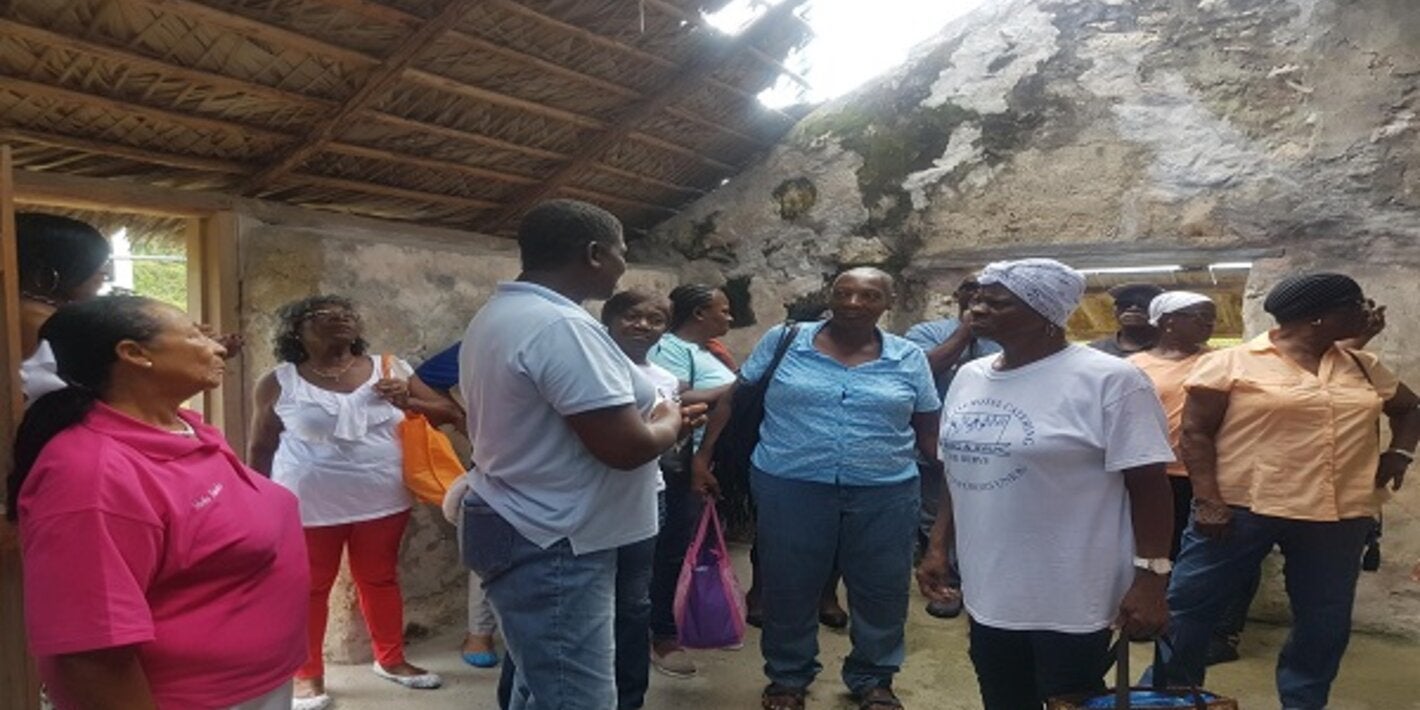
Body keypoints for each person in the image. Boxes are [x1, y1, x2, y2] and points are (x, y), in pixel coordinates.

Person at [458, 199, 706, 709]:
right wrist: (671, 421)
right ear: (595, 254)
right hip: (554, 540)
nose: (622, 263)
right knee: (576, 698)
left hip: (540, 524)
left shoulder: (506, 312)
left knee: (540, 685)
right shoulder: (559, 326)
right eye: (621, 252)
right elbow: (625, 447)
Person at [8, 295, 308, 710]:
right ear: (134, 354)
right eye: (193, 336)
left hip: (253, 686)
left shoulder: (185, 429)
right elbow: (90, 653)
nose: (218, 347)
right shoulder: (90, 474)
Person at [917, 258, 1175, 710]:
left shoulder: (1111, 380)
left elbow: (1150, 486)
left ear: (1046, 315)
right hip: (988, 584)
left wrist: (1151, 579)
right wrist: (938, 546)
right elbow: (960, 469)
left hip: (1072, 590)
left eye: (995, 303)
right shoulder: (969, 377)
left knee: (1066, 698)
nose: (975, 310)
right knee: (1002, 697)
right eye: (976, 299)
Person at [1153, 273, 1420, 710]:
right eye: (1356, 304)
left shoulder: (1360, 365)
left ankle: (1304, 700)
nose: (1368, 312)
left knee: (1324, 620)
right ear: (1319, 317)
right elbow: (1195, 434)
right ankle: (1170, 697)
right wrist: (1208, 500)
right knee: (1190, 609)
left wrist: (1401, 454)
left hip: (1338, 515)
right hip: (1239, 510)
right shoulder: (1232, 362)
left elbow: (1410, 409)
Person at [696, 267, 941, 710]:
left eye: (868, 296)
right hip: (789, 483)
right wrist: (702, 456)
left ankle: (873, 677)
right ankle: (788, 677)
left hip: (884, 490)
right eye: (843, 293)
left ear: (887, 303)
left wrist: (964, 475)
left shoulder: (908, 357)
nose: (852, 303)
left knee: (881, 587)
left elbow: (928, 427)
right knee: (789, 585)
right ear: (831, 296)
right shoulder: (785, 341)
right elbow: (735, 397)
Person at [248, 295, 457, 710]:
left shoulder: (390, 367)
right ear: (297, 331)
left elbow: (447, 412)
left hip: (382, 498)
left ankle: (391, 660)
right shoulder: (279, 380)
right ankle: (307, 675)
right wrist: (256, 501)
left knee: (380, 579)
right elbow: (261, 445)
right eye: (322, 316)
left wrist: (408, 400)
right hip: (308, 503)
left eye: (346, 314)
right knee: (309, 588)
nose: (339, 320)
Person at [646, 284, 738, 677]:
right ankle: (661, 636)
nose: (729, 317)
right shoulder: (671, 348)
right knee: (667, 551)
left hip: (700, 458)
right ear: (699, 313)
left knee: (681, 547)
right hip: (677, 462)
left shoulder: (706, 351)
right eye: (724, 310)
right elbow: (678, 398)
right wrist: (737, 384)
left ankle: (676, 622)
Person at [903, 276, 1001, 620]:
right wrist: (965, 332)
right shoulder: (926, 332)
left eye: (985, 291)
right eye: (970, 288)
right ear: (958, 295)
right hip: (936, 444)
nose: (976, 295)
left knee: (988, 518)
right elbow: (921, 371)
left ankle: (982, 585)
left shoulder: (1007, 338)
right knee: (936, 515)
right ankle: (948, 584)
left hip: (995, 447)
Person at [410, 342, 499, 668]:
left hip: (556, 468)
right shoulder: (483, 345)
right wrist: (459, 417)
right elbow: (421, 380)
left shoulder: (571, 341)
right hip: (495, 462)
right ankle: (480, 632)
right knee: (488, 547)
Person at [15, 212, 112, 403]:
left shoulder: (21, 308)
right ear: (51, 273)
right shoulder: (41, 321)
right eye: (95, 265)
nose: (105, 273)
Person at [1088, 283, 1164, 357]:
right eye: (1125, 303)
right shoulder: (1094, 351)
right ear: (1115, 310)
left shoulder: (1170, 351)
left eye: (1143, 303)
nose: (1133, 308)